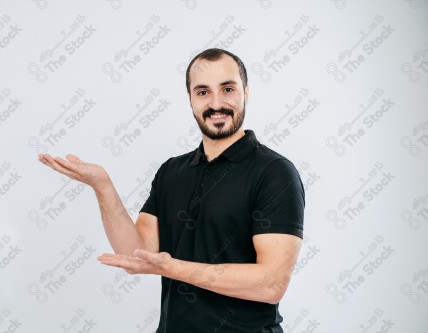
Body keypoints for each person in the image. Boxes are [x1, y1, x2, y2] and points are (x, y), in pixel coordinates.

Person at [38, 48, 305, 332]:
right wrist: (102, 186)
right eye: (202, 92)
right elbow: (137, 254)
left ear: (246, 93)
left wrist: (171, 267)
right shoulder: (172, 172)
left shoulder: (274, 173)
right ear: (190, 99)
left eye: (227, 89)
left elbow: (271, 285)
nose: (216, 103)